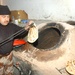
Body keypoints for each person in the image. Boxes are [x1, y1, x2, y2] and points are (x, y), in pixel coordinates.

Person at [0, 5, 33, 75]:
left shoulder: (12, 26)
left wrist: (28, 26)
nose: (6, 19)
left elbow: (21, 32)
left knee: (9, 73)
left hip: (9, 56)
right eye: (3, 16)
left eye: (8, 16)